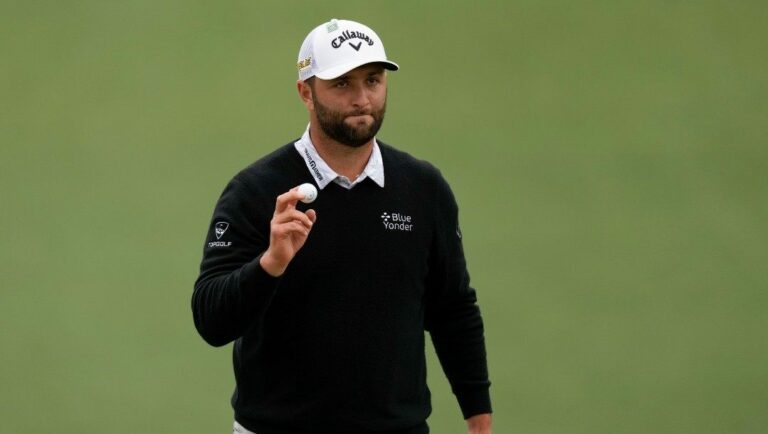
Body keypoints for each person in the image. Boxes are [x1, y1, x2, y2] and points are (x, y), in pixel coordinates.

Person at [192, 18, 492, 434]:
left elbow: (453, 308)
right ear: (306, 93)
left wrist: (478, 418)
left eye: (372, 80)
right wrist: (270, 263)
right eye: (342, 84)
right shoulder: (255, 191)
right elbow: (211, 320)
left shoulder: (424, 189)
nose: (362, 98)